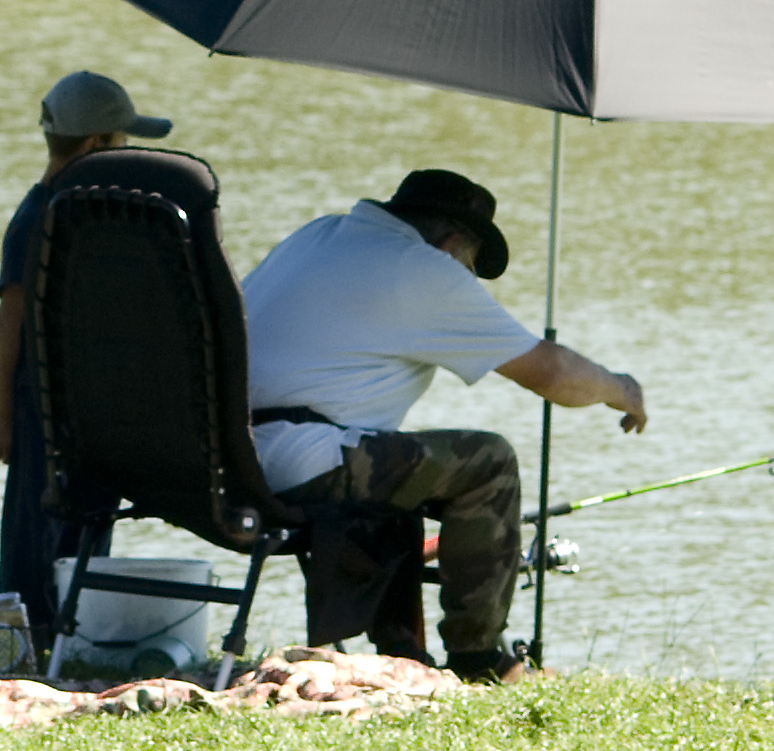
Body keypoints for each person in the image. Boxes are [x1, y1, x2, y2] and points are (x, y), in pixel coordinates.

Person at [241, 167, 646, 682]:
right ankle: (479, 659)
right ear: (453, 241)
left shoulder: (318, 234)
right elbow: (554, 375)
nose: (469, 280)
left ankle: (400, 644)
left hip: (227, 457)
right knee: (487, 461)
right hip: (301, 463)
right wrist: (623, 391)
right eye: (472, 265)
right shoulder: (424, 270)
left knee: (395, 455)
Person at [0, 69, 170, 637]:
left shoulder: (78, 209)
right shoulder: (40, 216)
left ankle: (65, 630)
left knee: (78, 521)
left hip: (81, 404)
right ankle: (33, 632)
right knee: (39, 528)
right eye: (123, 141)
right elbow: (10, 322)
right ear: (95, 145)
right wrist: (2, 416)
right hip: (38, 406)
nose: (129, 151)